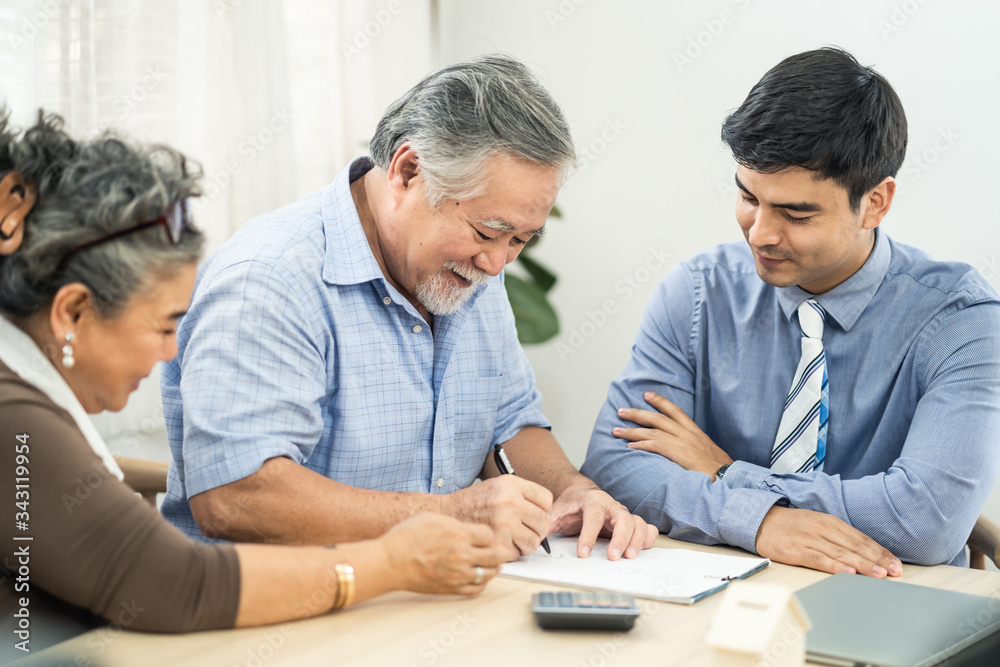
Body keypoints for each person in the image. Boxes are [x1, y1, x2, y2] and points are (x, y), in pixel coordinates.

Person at [0, 109, 506, 641]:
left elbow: (72, 493)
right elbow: (175, 585)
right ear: (72, 312)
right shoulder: (14, 419)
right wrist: (390, 562)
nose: (174, 350)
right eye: (165, 325)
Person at [160, 54, 656, 560]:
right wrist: (452, 516)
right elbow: (236, 498)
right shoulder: (270, 279)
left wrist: (573, 490)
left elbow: (511, 424)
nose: (497, 264)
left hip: (434, 597)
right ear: (408, 170)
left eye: (521, 240)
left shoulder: (472, 269)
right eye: (487, 232)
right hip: (278, 612)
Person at [581, 47, 1000, 574]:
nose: (760, 234)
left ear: (876, 201)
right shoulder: (697, 293)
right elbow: (616, 464)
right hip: (721, 598)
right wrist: (762, 523)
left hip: (889, 608)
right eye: (749, 197)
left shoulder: (961, 320)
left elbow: (925, 522)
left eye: (797, 213)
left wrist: (726, 472)